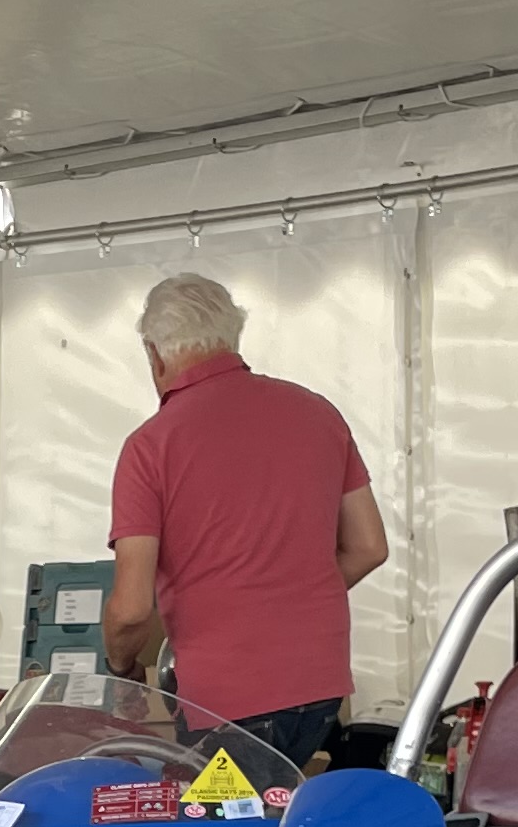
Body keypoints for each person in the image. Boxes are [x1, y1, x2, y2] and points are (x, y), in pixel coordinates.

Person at [100, 273, 387, 768]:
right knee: (277, 805)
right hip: (319, 688)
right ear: (231, 336)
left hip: (225, 699)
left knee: (216, 817)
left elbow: (130, 609)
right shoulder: (318, 413)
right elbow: (369, 547)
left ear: (155, 354)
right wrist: (289, 600)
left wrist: (119, 667)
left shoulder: (150, 447)